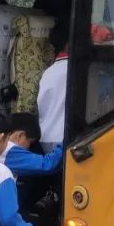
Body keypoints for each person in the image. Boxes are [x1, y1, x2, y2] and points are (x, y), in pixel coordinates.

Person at [37, 22, 69, 152]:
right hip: (63, 138)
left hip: (45, 137)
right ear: (69, 44)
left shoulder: (48, 72)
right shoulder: (75, 70)